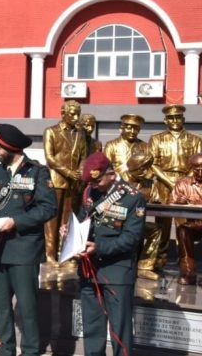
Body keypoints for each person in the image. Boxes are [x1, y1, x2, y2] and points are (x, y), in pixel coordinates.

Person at [0, 124, 57, 356]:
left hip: (24, 250)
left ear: (10, 147)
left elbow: (48, 208)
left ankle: (30, 351)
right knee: (1, 305)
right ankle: (6, 349)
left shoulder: (37, 172)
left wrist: (16, 222)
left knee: (27, 307)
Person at [75, 152, 145, 356]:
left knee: (119, 330)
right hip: (89, 270)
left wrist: (99, 247)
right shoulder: (90, 191)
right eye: (91, 181)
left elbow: (132, 238)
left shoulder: (133, 198)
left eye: (97, 180)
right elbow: (83, 220)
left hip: (117, 272)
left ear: (112, 175)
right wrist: (71, 233)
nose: (93, 185)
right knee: (92, 327)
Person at [148, 105, 202, 269]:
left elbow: (199, 162)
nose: (174, 120)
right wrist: (169, 181)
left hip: (186, 181)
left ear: (183, 119)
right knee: (163, 221)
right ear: (166, 120)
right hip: (164, 181)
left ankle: (184, 258)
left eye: (178, 117)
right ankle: (161, 256)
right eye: (171, 118)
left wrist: (184, 181)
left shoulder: (195, 139)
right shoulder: (156, 138)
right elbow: (152, 164)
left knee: (184, 221)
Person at [43, 100, 87, 266]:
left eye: (78, 113)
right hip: (56, 181)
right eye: (72, 114)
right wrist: (68, 172)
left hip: (73, 182)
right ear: (63, 113)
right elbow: (50, 158)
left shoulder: (80, 134)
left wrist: (80, 171)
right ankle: (50, 254)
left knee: (67, 220)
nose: (76, 117)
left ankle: (65, 253)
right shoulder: (51, 131)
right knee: (52, 220)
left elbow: (83, 156)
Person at [124, 152, 163, 281]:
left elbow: (156, 199)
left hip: (139, 221)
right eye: (141, 168)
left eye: (147, 167)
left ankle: (144, 267)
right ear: (133, 166)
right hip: (120, 222)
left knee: (155, 229)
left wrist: (156, 200)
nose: (145, 171)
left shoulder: (149, 183)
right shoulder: (120, 180)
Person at [169, 153, 202, 285]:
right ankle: (188, 271)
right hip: (193, 224)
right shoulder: (183, 183)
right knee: (183, 230)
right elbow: (171, 202)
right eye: (196, 169)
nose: (199, 172)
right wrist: (179, 202)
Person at [103, 114, 148, 183]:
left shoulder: (145, 146)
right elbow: (106, 167)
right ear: (122, 128)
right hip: (117, 184)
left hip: (138, 185)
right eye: (129, 128)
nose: (132, 131)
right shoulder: (111, 145)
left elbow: (149, 168)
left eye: (136, 128)